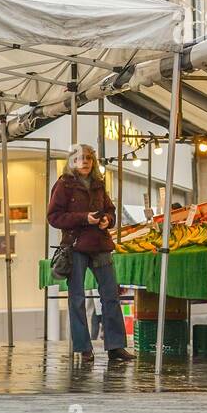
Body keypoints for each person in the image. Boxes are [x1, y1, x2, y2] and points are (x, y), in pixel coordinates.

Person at [48, 144, 134, 365]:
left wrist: (107, 220)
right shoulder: (63, 185)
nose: (84, 161)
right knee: (77, 298)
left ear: (94, 161)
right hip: (76, 247)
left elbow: (111, 210)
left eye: (88, 158)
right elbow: (54, 217)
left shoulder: (98, 184)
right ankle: (84, 348)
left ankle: (116, 347)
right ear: (72, 162)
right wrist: (84, 218)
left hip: (101, 245)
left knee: (111, 297)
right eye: (79, 158)